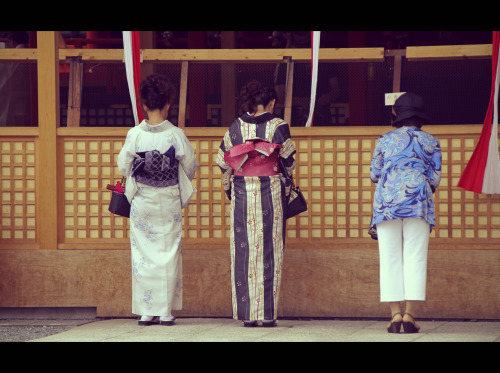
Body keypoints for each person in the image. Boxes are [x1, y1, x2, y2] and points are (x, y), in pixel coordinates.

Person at [117, 74, 199, 326]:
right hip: (169, 197)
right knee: (169, 251)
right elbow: (191, 166)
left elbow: (123, 166)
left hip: (143, 199)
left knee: (142, 253)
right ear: (168, 105)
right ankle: (165, 311)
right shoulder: (175, 135)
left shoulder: (135, 134)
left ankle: (146, 311)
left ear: (143, 104)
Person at [216, 80, 296, 327]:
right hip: (269, 192)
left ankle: (247, 315)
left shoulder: (235, 126)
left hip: (241, 193)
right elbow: (289, 162)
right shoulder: (278, 126)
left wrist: (235, 179)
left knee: (242, 251)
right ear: (271, 102)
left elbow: (222, 161)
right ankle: (267, 314)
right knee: (270, 251)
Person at [370, 92, 441, 333]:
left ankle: (394, 316)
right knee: (415, 256)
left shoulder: (384, 140)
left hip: (387, 201)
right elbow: (434, 178)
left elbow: (374, 174)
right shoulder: (431, 141)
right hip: (418, 202)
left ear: (395, 114)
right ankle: (409, 315)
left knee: (389, 256)